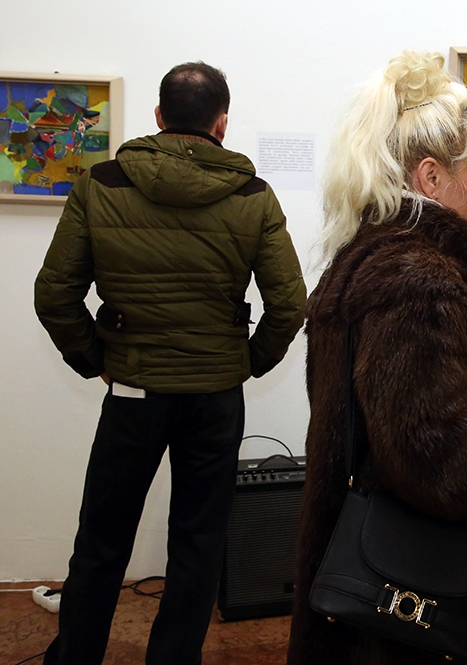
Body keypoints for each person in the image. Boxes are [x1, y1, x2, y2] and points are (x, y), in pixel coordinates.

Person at [287, 51, 467, 665]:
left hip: (383, 606)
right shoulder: (418, 282)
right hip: (423, 621)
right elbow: (445, 465)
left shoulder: (371, 261)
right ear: (430, 178)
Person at [34, 61, 306, 665]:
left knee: (101, 540)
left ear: (158, 115)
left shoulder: (102, 182)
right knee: (198, 544)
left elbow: (53, 294)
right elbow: (290, 304)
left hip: (133, 389)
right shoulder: (254, 196)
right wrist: (246, 362)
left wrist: (97, 359)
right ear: (222, 123)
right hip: (215, 398)